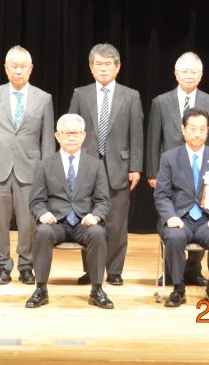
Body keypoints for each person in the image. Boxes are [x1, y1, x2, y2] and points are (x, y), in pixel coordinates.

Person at [0, 46, 56, 287]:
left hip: (31, 169)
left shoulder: (44, 98)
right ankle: (3, 266)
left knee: (29, 222)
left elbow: (47, 139)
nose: (18, 71)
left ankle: (26, 265)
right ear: (6, 69)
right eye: (14, 67)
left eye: (23, 67)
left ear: (30, 69)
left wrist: (46, 171)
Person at [67, 43, 143, 286]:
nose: (103, 68)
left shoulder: (130, 96)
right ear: (91, 68)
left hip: (119, 168)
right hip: (86, 167)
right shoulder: (80, 94)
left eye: (108, 64)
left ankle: (115, 271)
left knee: (116, 223)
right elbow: (71, 129)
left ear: (117, 67)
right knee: (88, 220)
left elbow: (136, 134)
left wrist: (135, 167)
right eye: (98, 64)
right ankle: (91, 271)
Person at [146, 51, 209, 286]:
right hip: (170, 172)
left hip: (203, 173)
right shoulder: (161, 102)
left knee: (201, 215)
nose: (189, 75)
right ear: (176, 74)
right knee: (172, 220)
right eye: (184, 71)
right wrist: (152, 172)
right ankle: (171, 272)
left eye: (194, 71)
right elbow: (153, 139)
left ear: (200, 75)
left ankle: (192, 269)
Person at [26, 114, 114, 310]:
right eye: (67, 133)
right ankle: (41, 289)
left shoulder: (96, 165)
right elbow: (36, 200)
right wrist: (42, 213)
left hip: (84, 223)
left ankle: (97, 290)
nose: (72, 137)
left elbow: (103, 200)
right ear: (58, 136)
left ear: (83, 136)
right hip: (56, 223)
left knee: (98, 232)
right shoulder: (45, 165)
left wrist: (95, 215)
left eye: (76, 133)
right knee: (42, 231)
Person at [154, 108, 209, 307]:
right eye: (192, 128)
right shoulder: (169, 158)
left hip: (208, 219)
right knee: (173, 237)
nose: (197, 133)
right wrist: (170, 216)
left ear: (208, 130)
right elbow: (161, 195)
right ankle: (178, 288)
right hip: (180, 219)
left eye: (202, 129)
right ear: (183, 129)